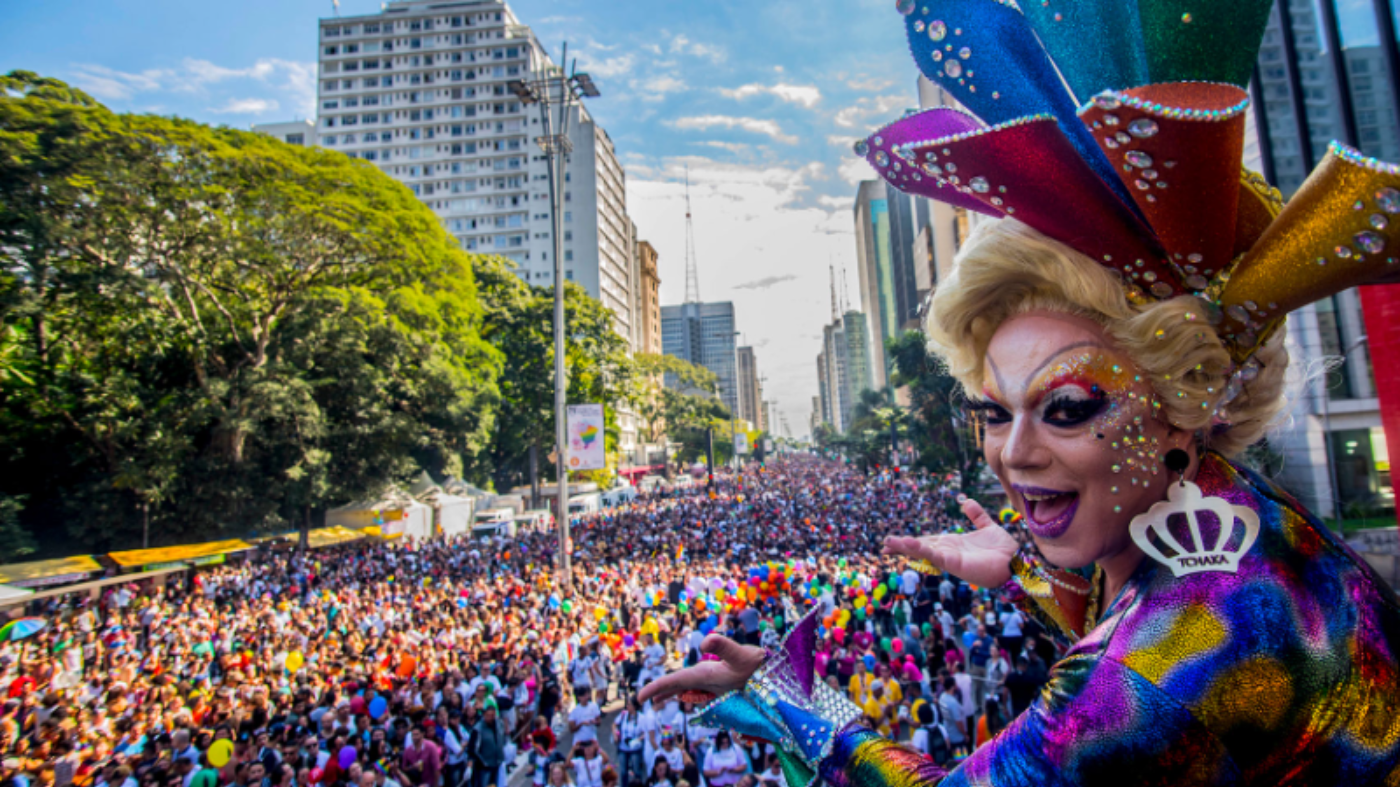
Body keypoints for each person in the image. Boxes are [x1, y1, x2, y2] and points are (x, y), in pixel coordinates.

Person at [638, 4, 1400, 783]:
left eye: (1067, 407)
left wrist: (787, 694)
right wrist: (1039, 573)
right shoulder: (1226, 511)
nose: (1012, 453)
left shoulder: (1159, 669)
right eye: (992, 413)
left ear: (1187, 399)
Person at [613, 697, 647, 787]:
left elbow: (646, 732)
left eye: (629, 704)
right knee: (623, 772)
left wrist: (637, 740)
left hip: (635, 748)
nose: (627, 706)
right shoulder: (623, 715)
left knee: (636, 771)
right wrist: (615, 734)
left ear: (634, 706)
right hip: (623, 748)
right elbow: (614, 724)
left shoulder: (641, 718)